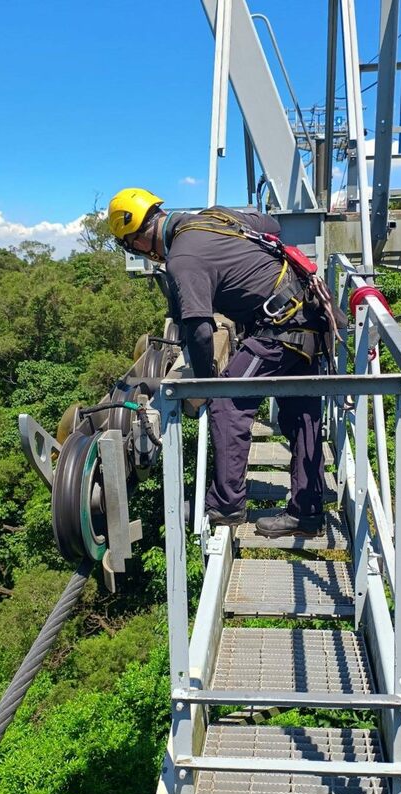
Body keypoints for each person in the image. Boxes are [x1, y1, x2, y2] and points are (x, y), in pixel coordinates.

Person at [108, 187, 333, 537]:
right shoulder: (215, 216)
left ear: (137, 240)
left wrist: (205, 382)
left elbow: (199, 329)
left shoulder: (182, 260)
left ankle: (226, 506)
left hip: (278, 332)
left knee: (227, 404)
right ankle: (307, 511)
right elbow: (271, 224)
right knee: (301, 413)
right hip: (308, 318)